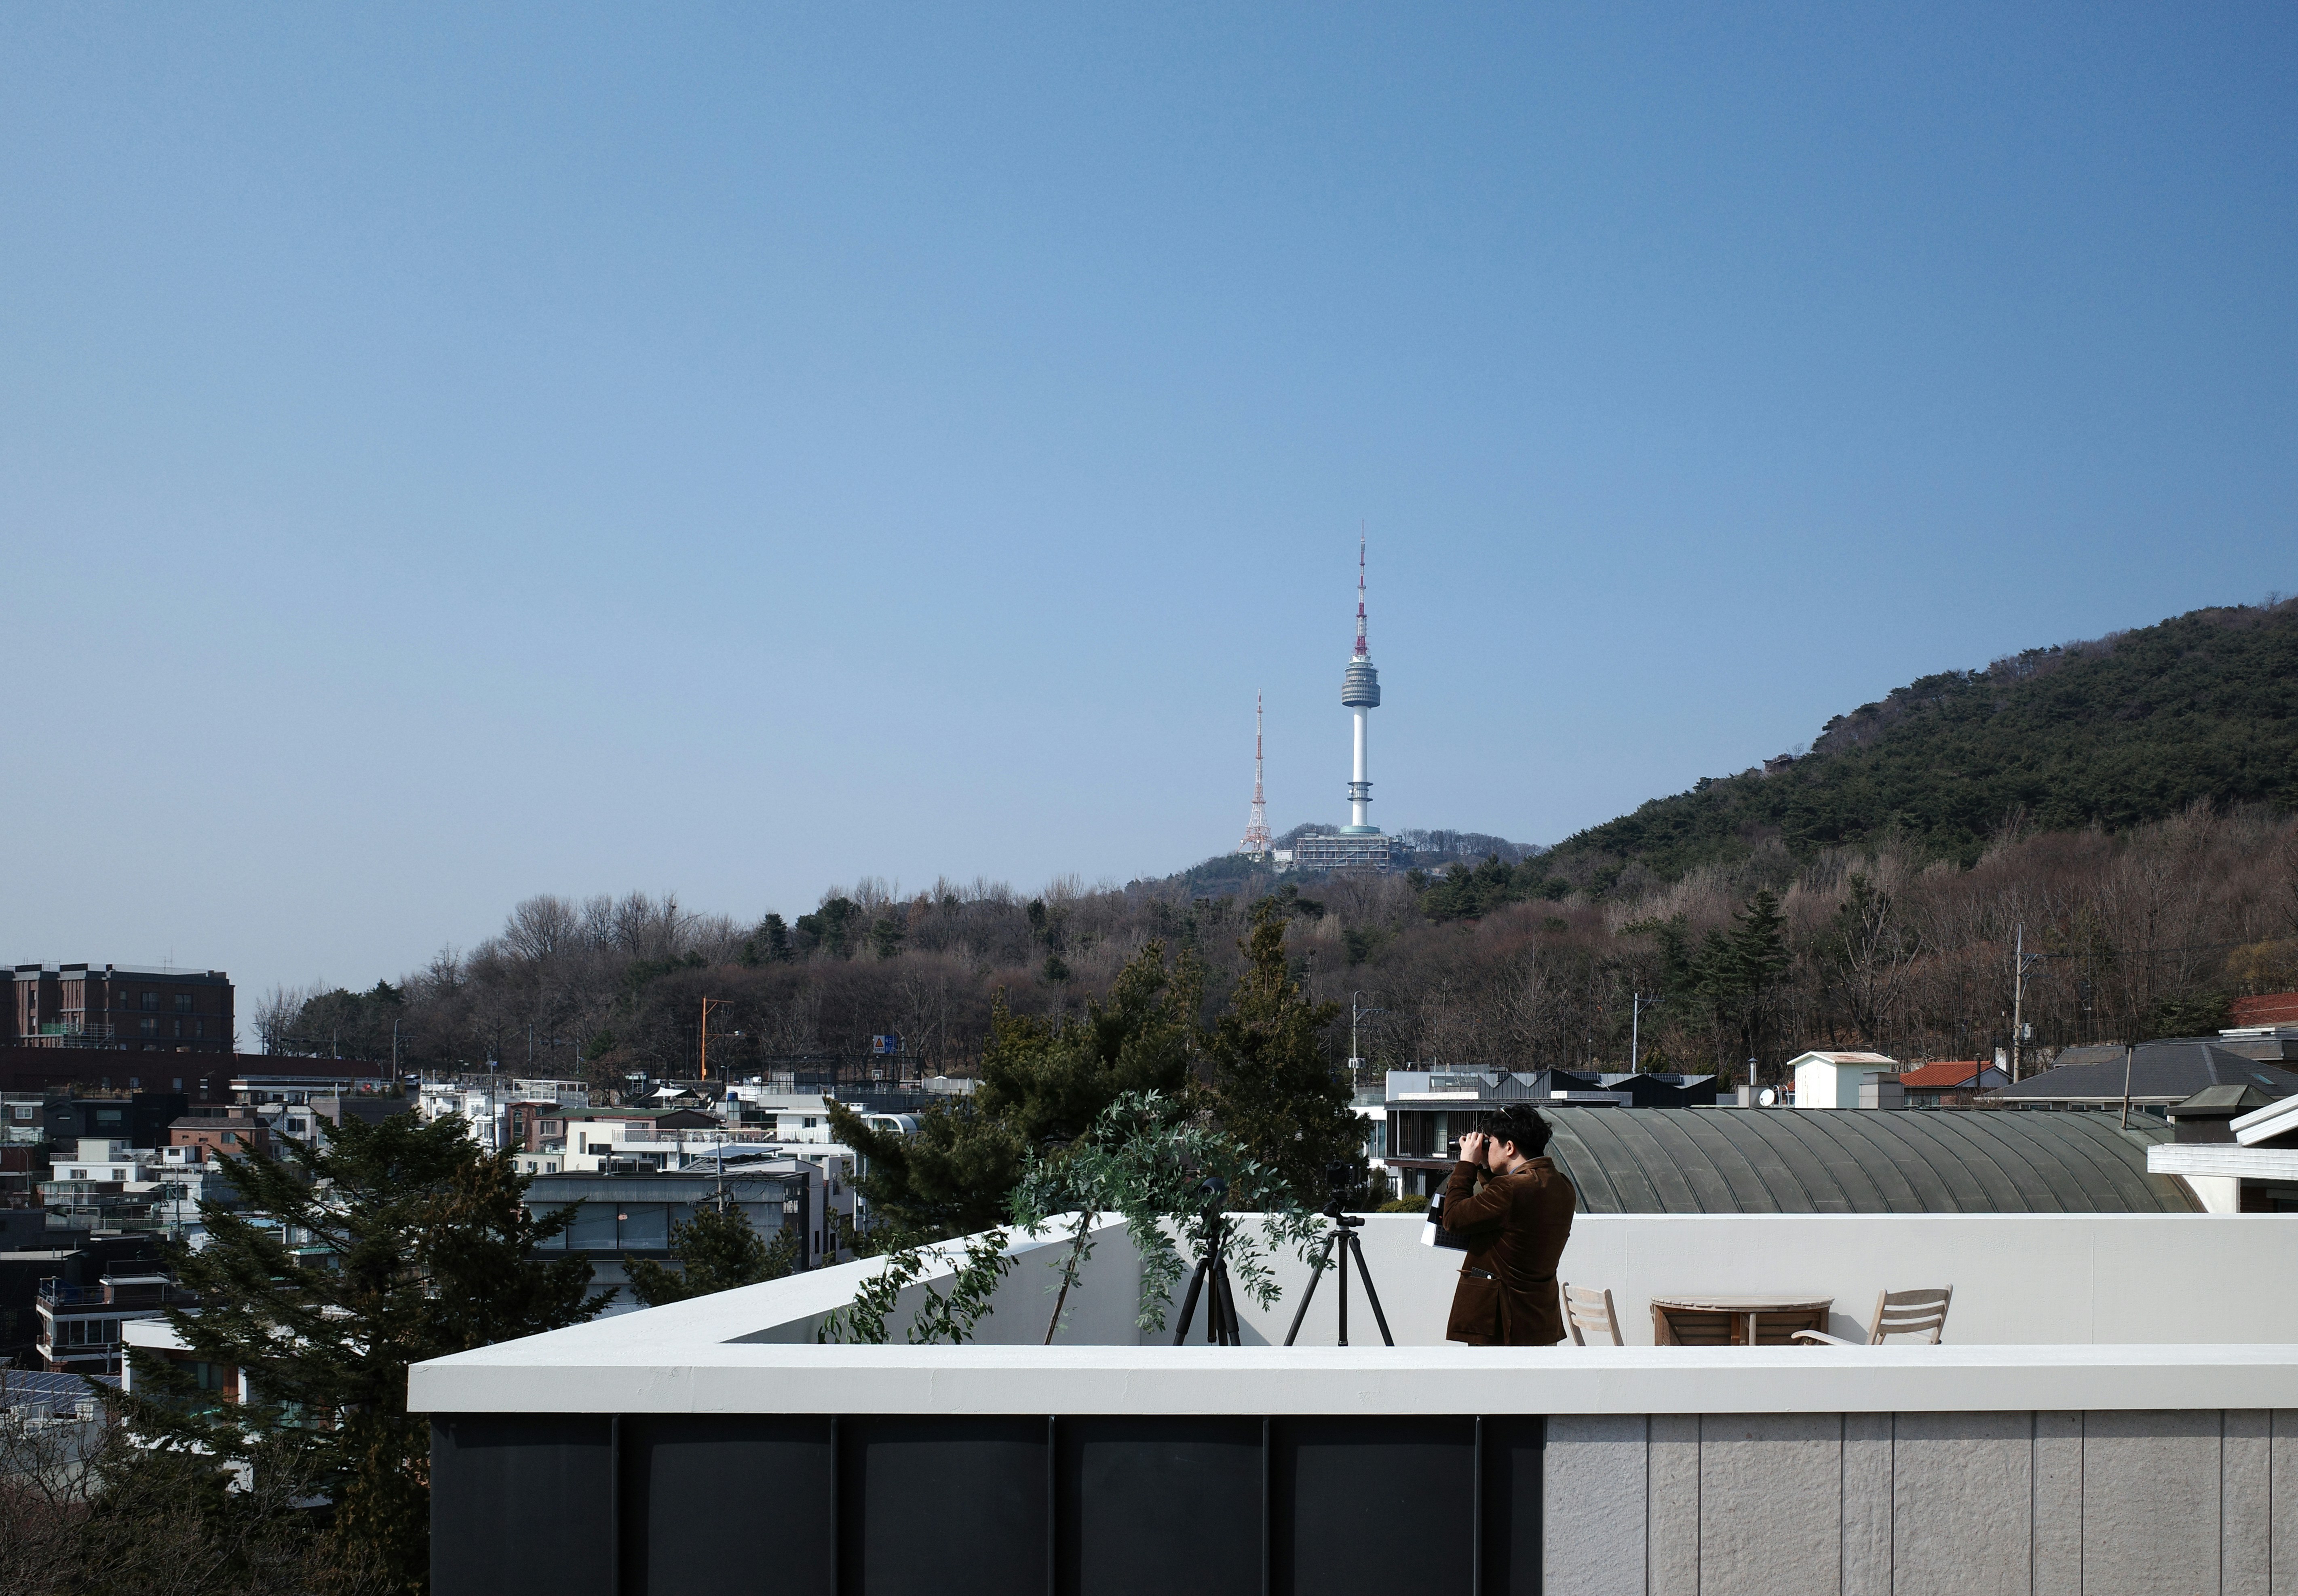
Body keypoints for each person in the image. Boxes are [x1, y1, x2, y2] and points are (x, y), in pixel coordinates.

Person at [1441, 1105, 1575, 1345]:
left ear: (1510, 1147)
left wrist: (1467, 1166)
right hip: (1540, 1319)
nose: (1487, 1147)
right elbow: (1510, 1211)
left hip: (1501, 1322)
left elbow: (1453, 1218)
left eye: (1491, 1142)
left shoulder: (1511, 1190)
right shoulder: (1562, 1185)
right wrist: (1486, 1166)